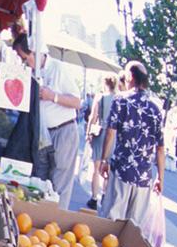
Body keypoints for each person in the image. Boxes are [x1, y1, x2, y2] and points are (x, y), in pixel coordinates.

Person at [11, 27, 82, 210]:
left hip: (63, 131)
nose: (24, 63)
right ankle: (43, 217)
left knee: (59, 184)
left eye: (24, 58)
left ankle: (55, 222)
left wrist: (53, 96)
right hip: (43, 133)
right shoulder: (32, 73)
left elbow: (77, 102)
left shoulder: (58, 68)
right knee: (42, 181)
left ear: (33, 53)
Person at [98, 61, 165, 226]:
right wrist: (160, 178)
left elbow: (110, 133)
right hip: (144, 178)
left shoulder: (120, 100)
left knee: (110, 223)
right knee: (133, 229)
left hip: (121, 171)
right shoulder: (155, 109)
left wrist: (104, 160)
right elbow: (160, 148)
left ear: (130, 77)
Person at [85, 76, 117, 209]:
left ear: (105, 84)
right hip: (113, 135)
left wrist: (88, 132)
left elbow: (93, 116)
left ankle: (93, 198)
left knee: (96, 168)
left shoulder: (100, 98)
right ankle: (105, 195)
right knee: (107, 169)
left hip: (100, 133)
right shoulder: (118, 99)